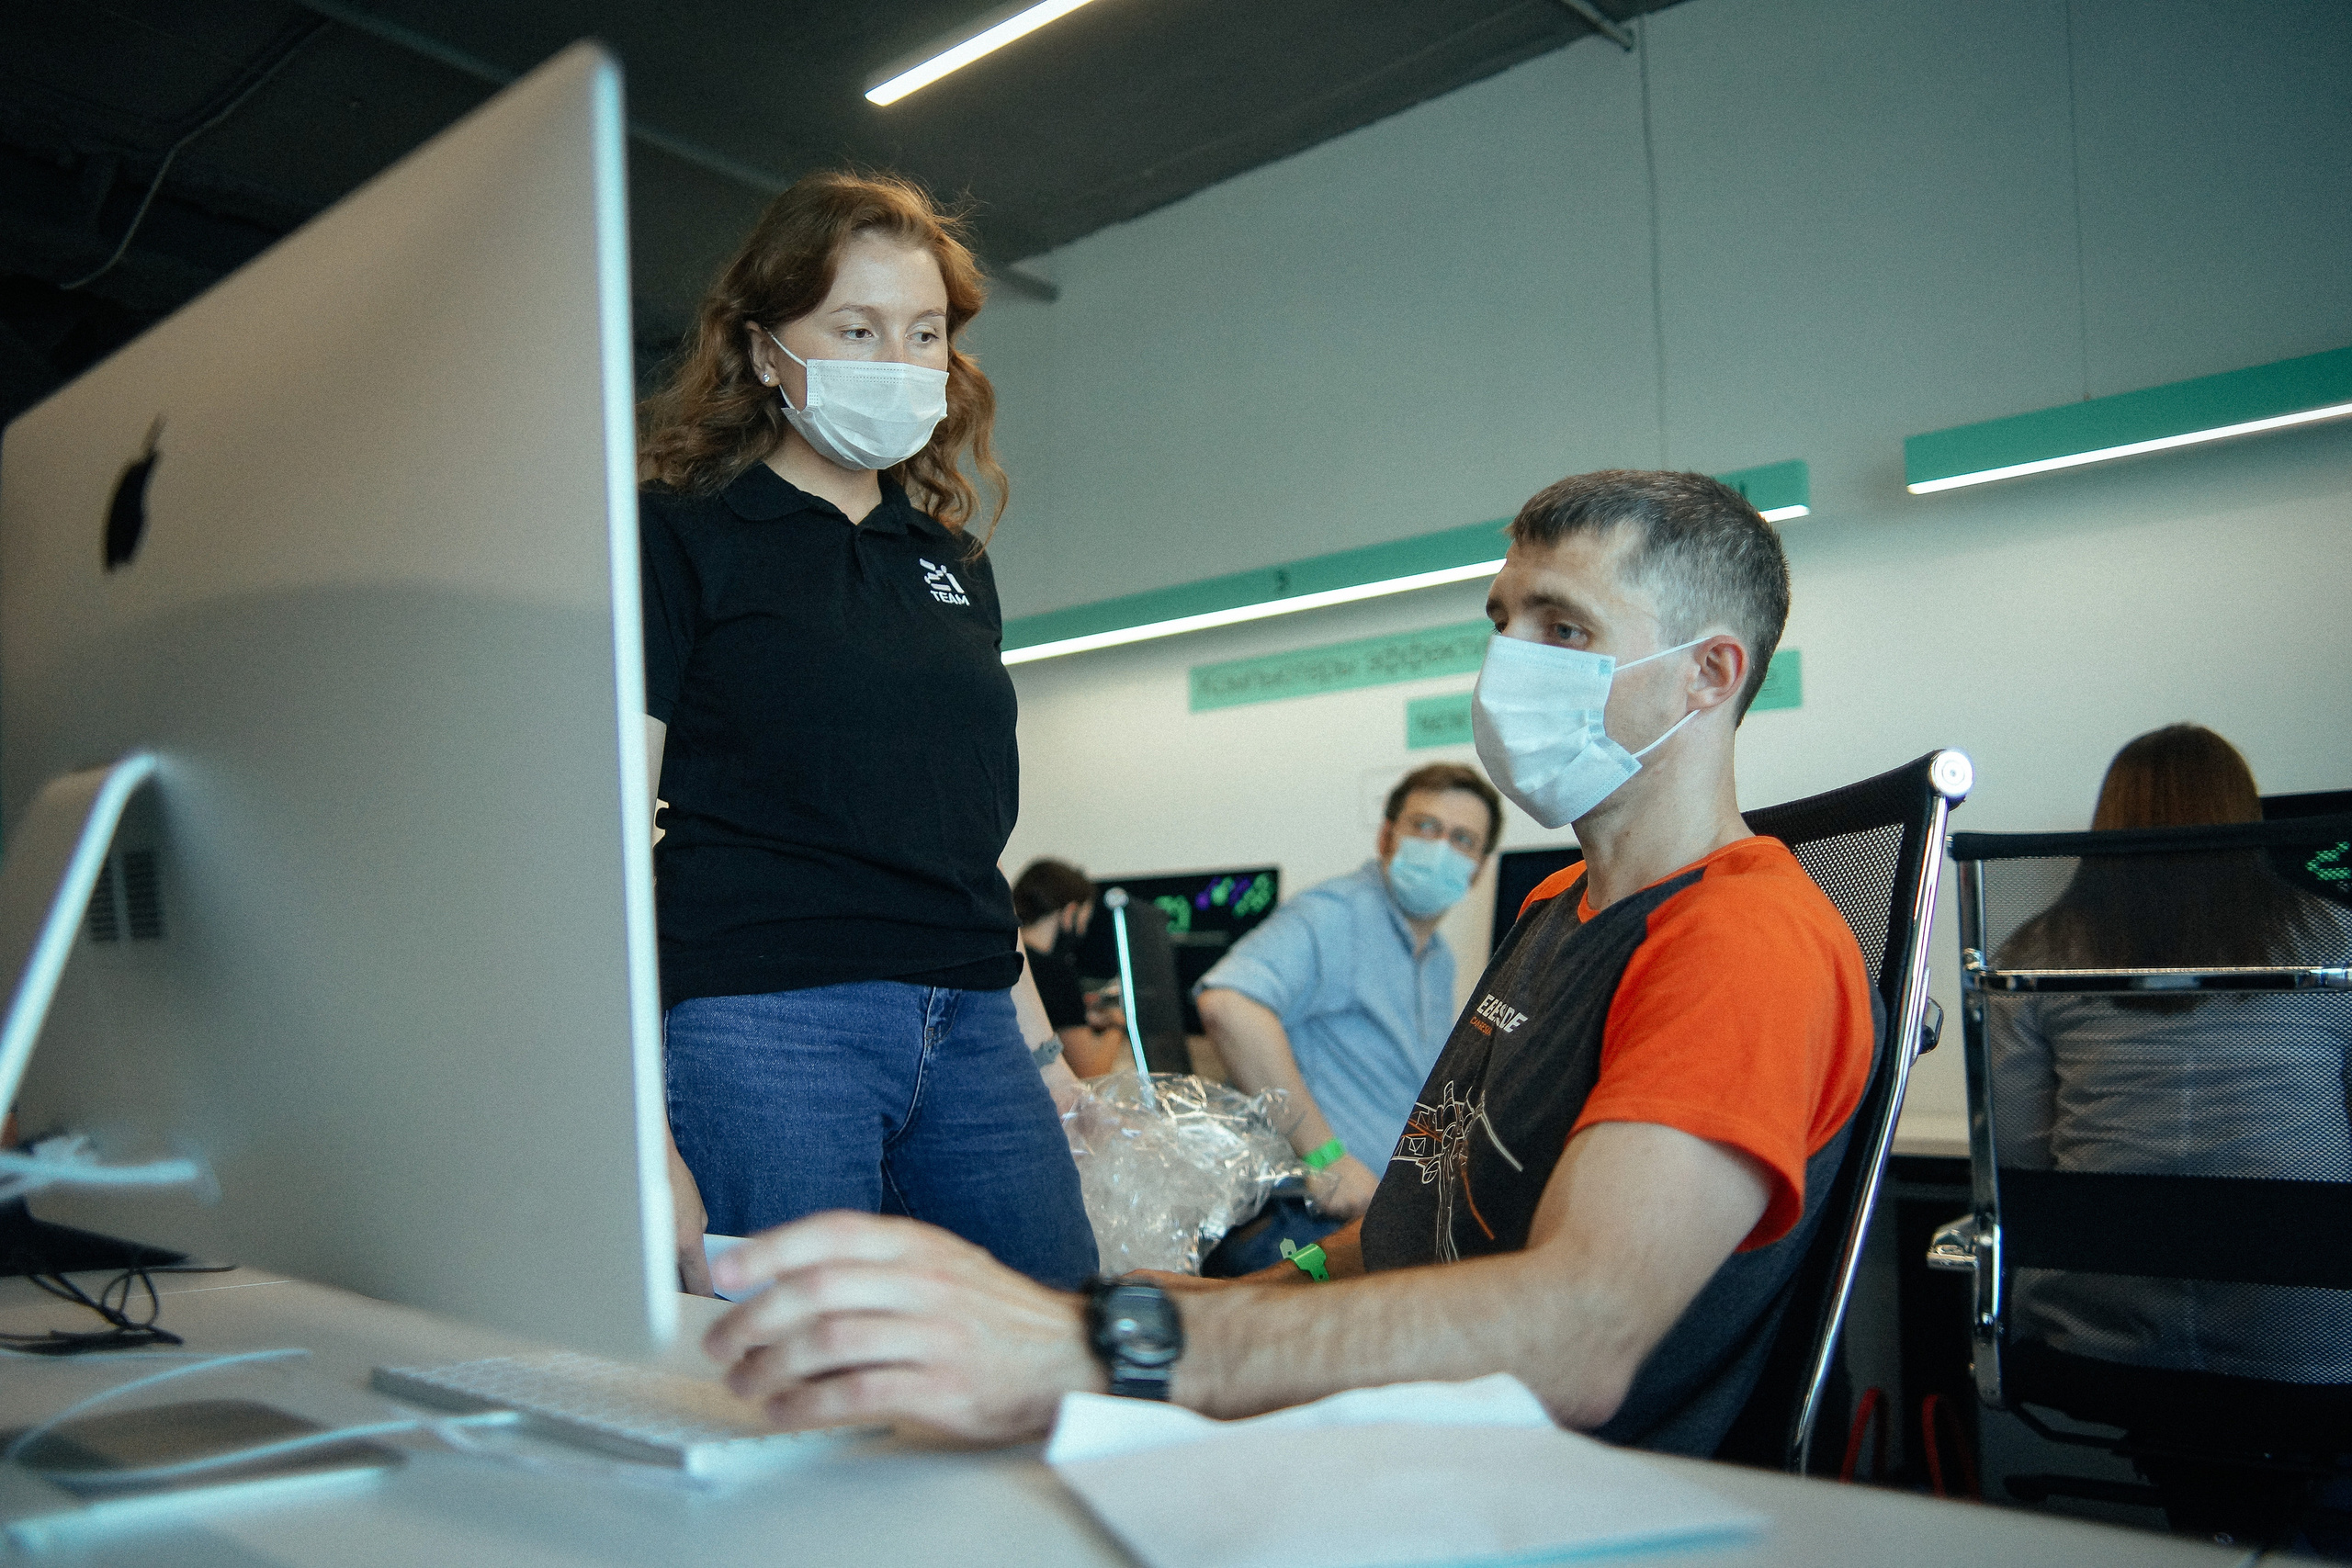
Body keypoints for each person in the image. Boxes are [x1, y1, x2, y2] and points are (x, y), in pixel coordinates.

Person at [697, 469, 1878, 1456]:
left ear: (1709, 675)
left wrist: (1105, 1352)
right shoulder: (1562, 911)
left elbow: (1575, 1335)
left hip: (1501, 1494)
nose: (1508, 661)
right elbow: (1429, 1224)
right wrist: (1115, 1310)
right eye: (1501, 622)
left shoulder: (1743, 939)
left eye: (1563, 630)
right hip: (1395, 1433)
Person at [633, 171, 1095, 1296]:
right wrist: (641, 1139)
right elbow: (592, 836)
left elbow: (958, 843)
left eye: (923, 332)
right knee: (805, 1372)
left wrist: (1050, 1061)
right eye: (856, 327)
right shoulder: (678, 536)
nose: (898, 361)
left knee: (1056, 1330)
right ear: (759, 348)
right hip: (766, 1021)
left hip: (975, 1018)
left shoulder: (950, 565)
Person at [1991, 725, 2352, 1384]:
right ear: (2245, 818)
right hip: (2309, 1329)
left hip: (2094, 1333)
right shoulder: (2337, 939)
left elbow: (2017, 1159)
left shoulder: (2032, 955)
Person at [1193, 763, 1500, 1235]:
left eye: (1463, 840)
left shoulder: (1439, 959)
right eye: (1424, 827)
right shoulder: (1337, 915)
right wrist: (1325, 1156)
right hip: (1319, 1218)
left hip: (1393, 1215)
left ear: (1477, 870)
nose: (1441, 848)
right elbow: (1229, 1005)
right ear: (1386, 838)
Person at [1013, 858, 1125, 1077]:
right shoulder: (1056, 974)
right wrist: (1118, 1026)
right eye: (1084, 920)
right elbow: (1091, 1073)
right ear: (1069, 912)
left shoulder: (1005, 959)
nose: (1083, 930)